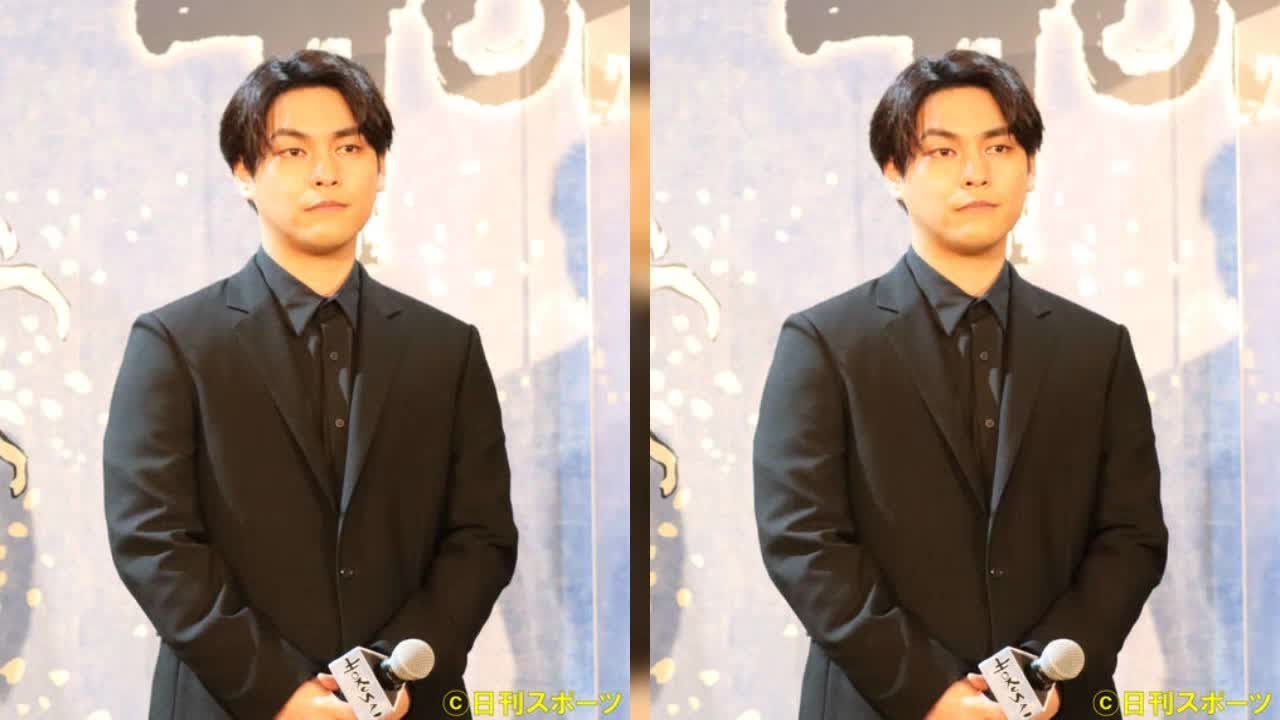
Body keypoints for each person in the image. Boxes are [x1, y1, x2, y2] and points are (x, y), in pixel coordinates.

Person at [752, 49, 1167, 720]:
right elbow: (804, 540)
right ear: (893, 172)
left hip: (1058, 702)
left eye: (999, 147)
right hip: (881, 703)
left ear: (1030, 167)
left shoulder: (1098, 348)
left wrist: (1035, 676)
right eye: (942, 152)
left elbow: (1131, 536)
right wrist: (930, 690)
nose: (976, 172)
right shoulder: (825, 343)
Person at [103, 49, 517, 719]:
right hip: (231, 703)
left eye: (349, 147)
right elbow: (154, 540)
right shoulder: (175, 343)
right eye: (292, 152)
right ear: (243, 172)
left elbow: (481, 537)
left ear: (379, 167)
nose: (326, 172)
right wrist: (281, 690)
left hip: (407, 703)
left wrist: (382, 678)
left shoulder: (447, 349)